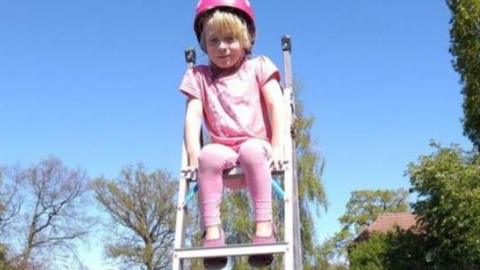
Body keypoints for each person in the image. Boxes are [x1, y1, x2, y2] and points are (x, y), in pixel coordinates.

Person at [179, 0, 285, 268]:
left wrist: (279, 146)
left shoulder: (259, 66)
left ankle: (264, 226)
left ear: (247, 38)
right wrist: (193, 156)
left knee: (250, 149)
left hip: (257, 150)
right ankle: (212, 234)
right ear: (204, 43)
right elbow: (193, 116)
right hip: (223, 153)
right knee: (208, 155)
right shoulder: (199, 76)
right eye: (214, 41)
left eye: (230, 39)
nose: (222, 47)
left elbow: (276, 105)